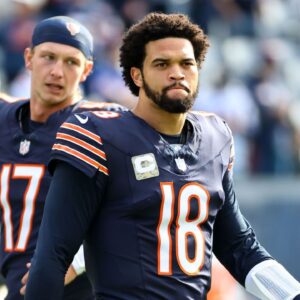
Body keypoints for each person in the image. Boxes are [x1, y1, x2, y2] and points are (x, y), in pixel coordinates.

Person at [25, 12, 300, 300]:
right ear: (137, 75)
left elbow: (238, 246)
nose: (177, 73)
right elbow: (54, 254)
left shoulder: (214, 138)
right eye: (162, 64)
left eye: (186, 63)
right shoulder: (99, 135)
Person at [0, 15, 123, 300]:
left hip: (79, 290)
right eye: (48, 57)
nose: (57, 71)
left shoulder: (103, 125)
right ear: (29, 59)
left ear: (87, 70)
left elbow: (142, 203)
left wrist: (76, 260)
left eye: (71, 62)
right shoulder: (5, 117)